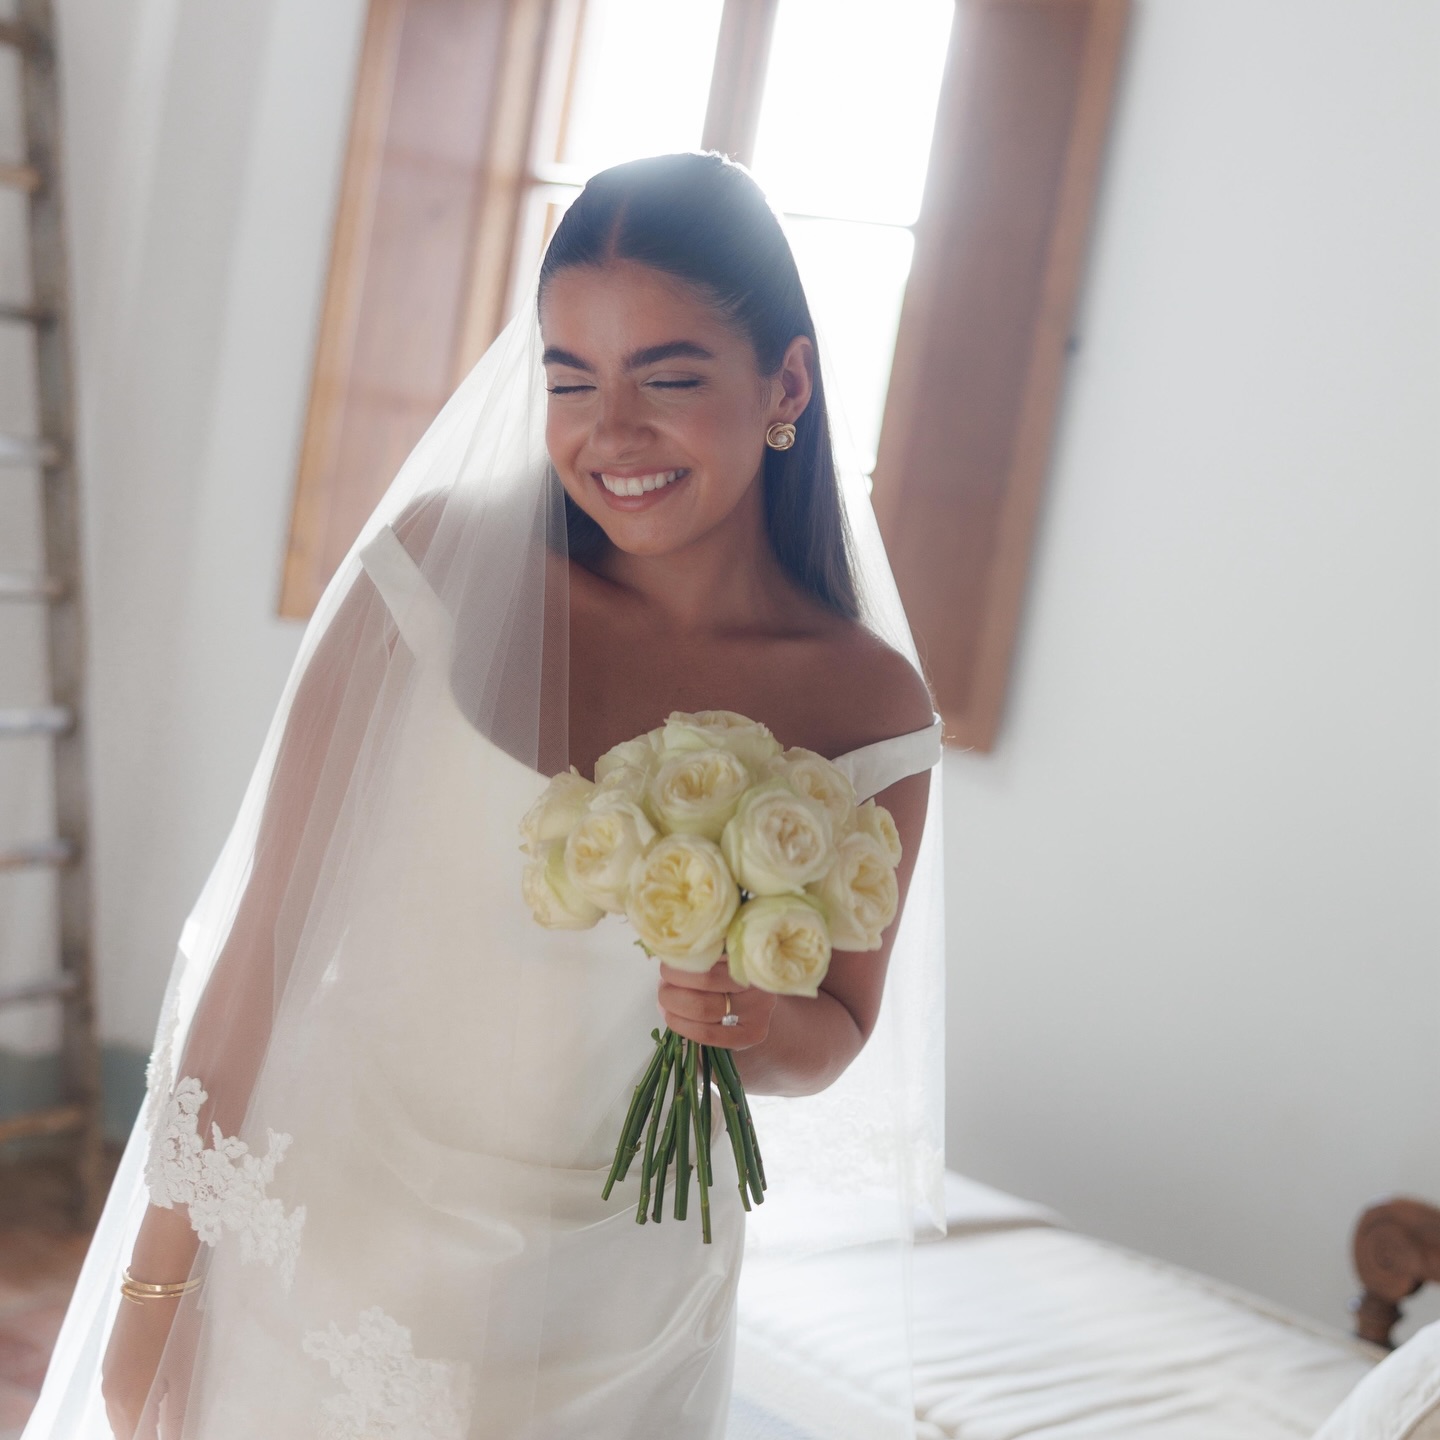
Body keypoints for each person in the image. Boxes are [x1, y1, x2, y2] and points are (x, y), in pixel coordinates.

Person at [27, 151, 947, 1440]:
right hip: (337, 1267)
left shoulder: (869, 710)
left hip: (627, 1313)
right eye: (570, 381)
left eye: (667, 379)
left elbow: (837, 1027)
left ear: (785, 380)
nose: (610, 435)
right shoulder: (426, 588)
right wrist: (154, 1290)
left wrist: (744, 1019)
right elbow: (259, 959)